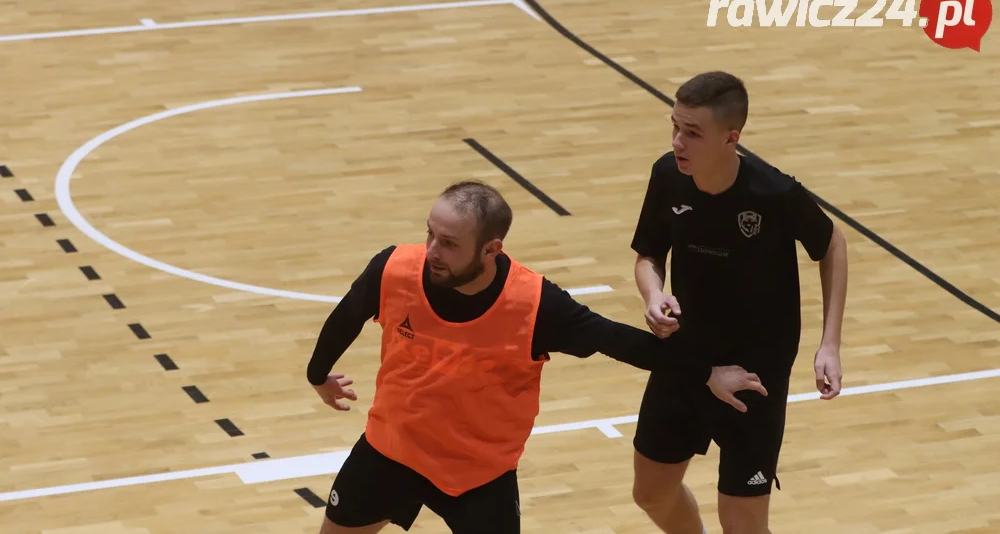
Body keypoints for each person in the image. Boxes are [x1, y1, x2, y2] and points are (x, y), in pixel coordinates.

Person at [306, 179, 770, 534]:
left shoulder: (534, 304)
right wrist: (317, 373)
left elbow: (619, 341)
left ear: (491, 250)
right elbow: (348, 314)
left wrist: (705, 372)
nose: (431, 252)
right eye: (430, 234)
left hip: (478, 474)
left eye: (449, 243)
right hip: (391, 449)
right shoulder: (394, 268)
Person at [629, 71, 849, 534]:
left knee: (743, 523)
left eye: (692, 133)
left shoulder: (774, 193)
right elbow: (648, 255)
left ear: (731, 138)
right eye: (674, 126)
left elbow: (832, 244)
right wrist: (654, 295)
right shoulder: (667, 177)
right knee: (650, 492)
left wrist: (829, 344)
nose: (677, 142)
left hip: (756, 371)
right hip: (686, 357)